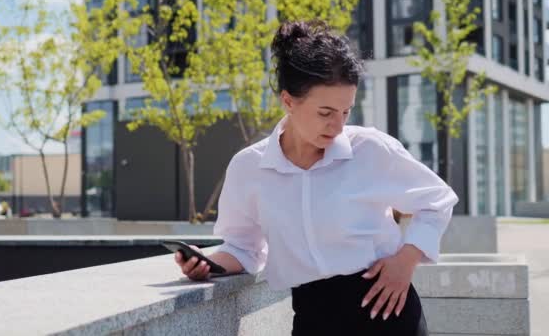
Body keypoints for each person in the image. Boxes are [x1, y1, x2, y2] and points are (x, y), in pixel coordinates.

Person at [173, 20, 458, 335]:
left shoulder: (370, 149)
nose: (337, 126)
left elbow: (437, 200)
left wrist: (406, 260)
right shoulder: (249, 168)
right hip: (313, 317)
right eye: (325, 113)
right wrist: (206, 265)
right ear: (288, 101)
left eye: (346, 112)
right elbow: (244, 246)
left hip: (387, 310)